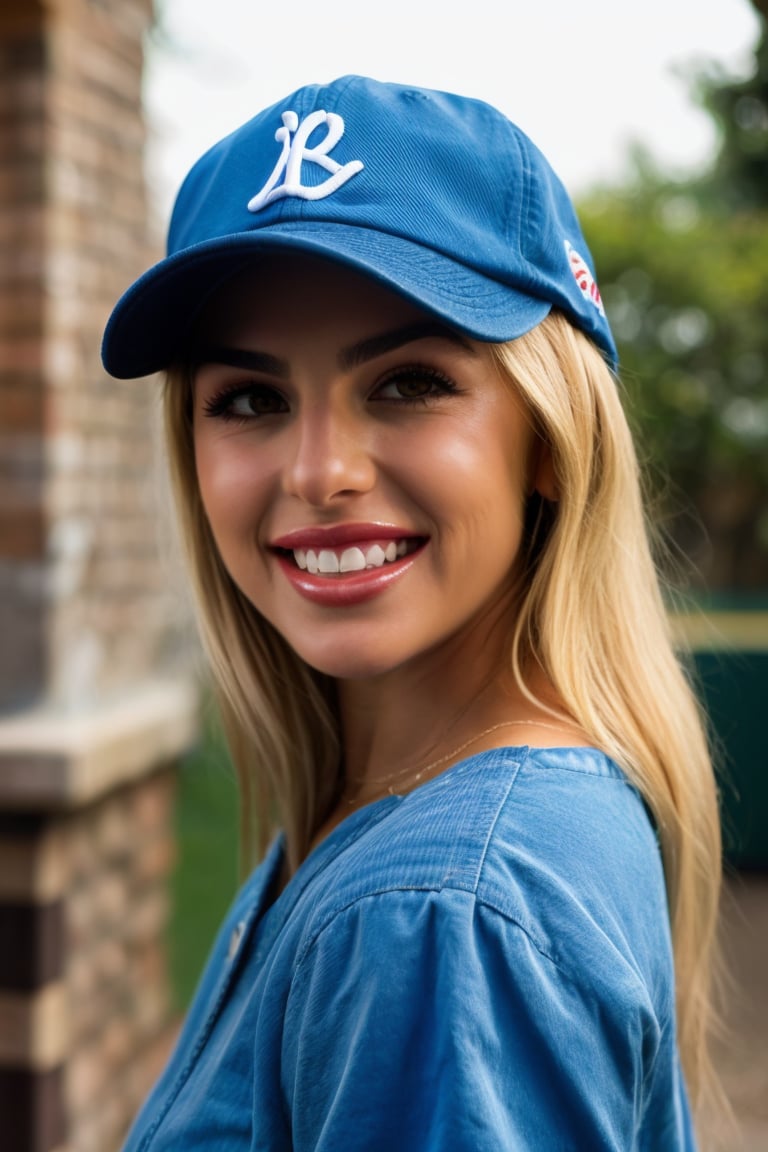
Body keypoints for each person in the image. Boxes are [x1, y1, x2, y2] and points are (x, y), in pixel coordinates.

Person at [102, 75, 725, 1150]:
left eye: (407, 383)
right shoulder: (406, 821)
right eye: (249, 398)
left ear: (548, 434)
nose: (319, 471)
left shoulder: (444, 919)